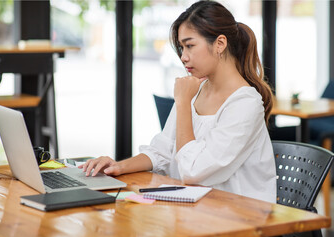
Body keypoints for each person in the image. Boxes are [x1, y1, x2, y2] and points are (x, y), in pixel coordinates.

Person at [79, 0, 277, 203]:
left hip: (238, 217)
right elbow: (163, 151)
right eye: (182, 48)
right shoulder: (196, 89)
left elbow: (194, 170)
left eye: (189, 45)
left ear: (220, 44)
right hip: (194, 210)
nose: (183, 57)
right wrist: (119, 166)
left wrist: (183, 103)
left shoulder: (244, 103)